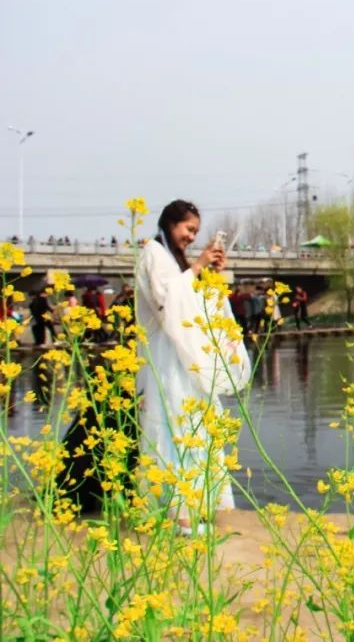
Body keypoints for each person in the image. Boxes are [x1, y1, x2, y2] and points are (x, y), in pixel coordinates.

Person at [135, 199, 250, 535]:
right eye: (188, 230)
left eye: (196, 233)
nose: (191, 237)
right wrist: (198, 266)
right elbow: (164, 302)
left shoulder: (176, 260)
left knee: (197, 427)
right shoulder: (153, 253)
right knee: (173, 425)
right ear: (170, 224)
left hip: (188, 357)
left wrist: (209, 273)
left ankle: (198, 507)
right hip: (168, 357)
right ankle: (179, 516)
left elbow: (194, 305)